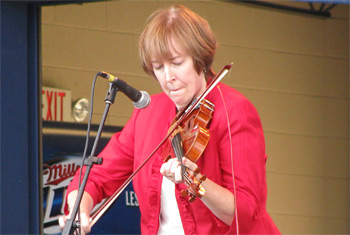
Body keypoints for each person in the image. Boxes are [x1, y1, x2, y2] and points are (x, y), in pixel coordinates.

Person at [61, 5, 280, 234]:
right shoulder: (148, 112)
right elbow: (96, 176)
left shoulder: (235, 111)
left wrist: (196, 182)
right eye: (158, 67)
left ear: (201, 58)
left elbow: (245, 212)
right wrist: (79, 208)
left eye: (176, 63)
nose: (168, 77)